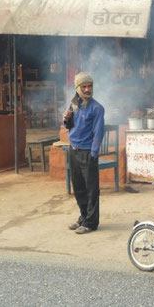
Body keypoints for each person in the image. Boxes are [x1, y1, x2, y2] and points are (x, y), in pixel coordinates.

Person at [63, 72, 105, 234]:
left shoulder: (97, 108)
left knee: (91, 189)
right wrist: (66, 118)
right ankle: (83, 217)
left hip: (88, 152)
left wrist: (93, 153)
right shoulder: (74, 104)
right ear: (77, 88)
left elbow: (99, 132)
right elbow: (69, 125)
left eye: (90, 86)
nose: (88, 89)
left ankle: (91, 223)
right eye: (84, 86)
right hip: (73, 150)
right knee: (79, 187)